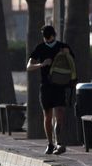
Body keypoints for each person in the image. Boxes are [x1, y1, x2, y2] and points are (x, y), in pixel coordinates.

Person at [27, 25, 75, 155]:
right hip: (46, 87)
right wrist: (42, 64)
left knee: (59, 115)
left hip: (60, 86)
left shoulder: (62, 46)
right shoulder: (40, 48)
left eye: (49, 35)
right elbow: (29, 66)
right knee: (47, 117)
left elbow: (72, 64)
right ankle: (50, 143)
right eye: (45, 36)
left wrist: (67, 54)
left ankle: (58, 143)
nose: (48, 38)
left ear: (54, 35)